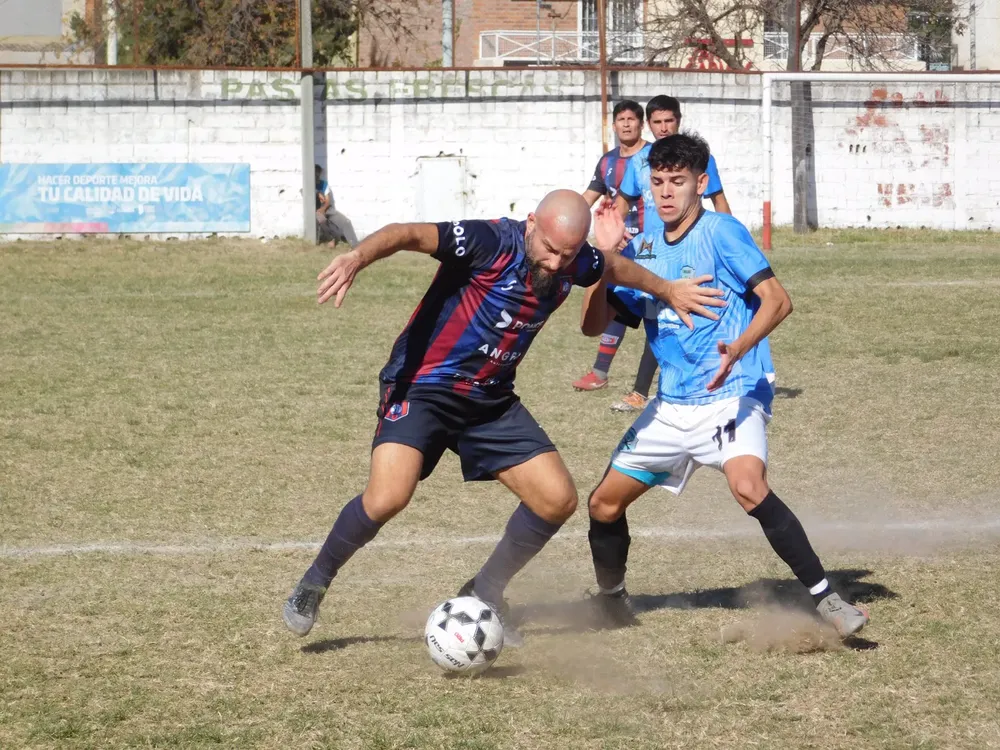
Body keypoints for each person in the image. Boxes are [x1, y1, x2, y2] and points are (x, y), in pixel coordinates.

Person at [281, 190, 726, 646]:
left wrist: (668, 290)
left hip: (490, 399)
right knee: (388, 497)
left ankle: (484, 590)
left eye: (567, 254)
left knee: (556, 500)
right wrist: (356, 257)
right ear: (531, 223)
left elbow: (611, 266)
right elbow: (407, 233)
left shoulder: (573, 260)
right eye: (549, 249)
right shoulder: (490, 242)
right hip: (425, 386)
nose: (556, 263)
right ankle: (314, 581)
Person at [581, 134, 869, 639]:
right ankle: (611, 600)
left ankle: (829, 601)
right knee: (603, 505)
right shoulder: (641, 246)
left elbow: (777, 300)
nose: (665, 192)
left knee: (748, 487)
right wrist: (604, 260)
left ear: (700, 184)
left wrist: (738, 347)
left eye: (677, 181)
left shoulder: (722, 232)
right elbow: (593, 325)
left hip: (730, 394)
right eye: (657, 182)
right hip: (671, 407)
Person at [600, 96, 749, 414]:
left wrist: (733, 242)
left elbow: (719, 201)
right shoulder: (639, 162)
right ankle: (643, 386)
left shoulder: (699, 159)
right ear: (648, 125)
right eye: (657, 122)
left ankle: (657, 389)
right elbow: (623, 201)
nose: (664, 127)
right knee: (654, 314)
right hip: (653, 253)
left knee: (678, 315)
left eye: (669, 121)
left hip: (691, 250)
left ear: (678, 121)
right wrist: (612, 231)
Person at [572, 99, 647, 394]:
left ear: (641, 123)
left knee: (656, 308)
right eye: (621, 119)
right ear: (613, 125)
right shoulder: (607, 162)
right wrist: (566, 217)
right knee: (616, 302)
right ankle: (600, 372)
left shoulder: (653, 156)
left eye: (632, 119)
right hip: (618, 246)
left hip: (650, 245)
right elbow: (588, 197)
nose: (626, 124)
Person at [316, 165, 359, 248]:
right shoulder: (309, 185)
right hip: (316, 210)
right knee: (321, 219)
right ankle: (331, 239)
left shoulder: (324, 184)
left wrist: (323, 209)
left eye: (318, 174)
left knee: (346, 222)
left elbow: (327, 201)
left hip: (327, 209)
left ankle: (355, 245)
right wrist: (318, 194)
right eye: (315, 174)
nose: (317, 176)